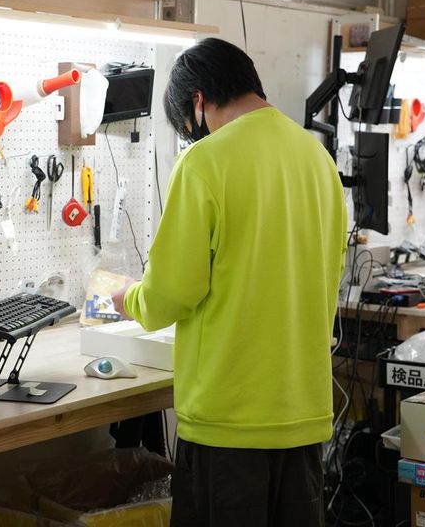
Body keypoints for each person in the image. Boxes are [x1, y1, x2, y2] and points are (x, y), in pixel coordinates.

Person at [111, 38, 347, 527]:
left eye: (188, 128)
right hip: (303, 416)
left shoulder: (205, 162)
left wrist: (129, 299)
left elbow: (171, 293)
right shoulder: (318, 159)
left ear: (198, 101)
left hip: (230, 424)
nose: (193, 137)